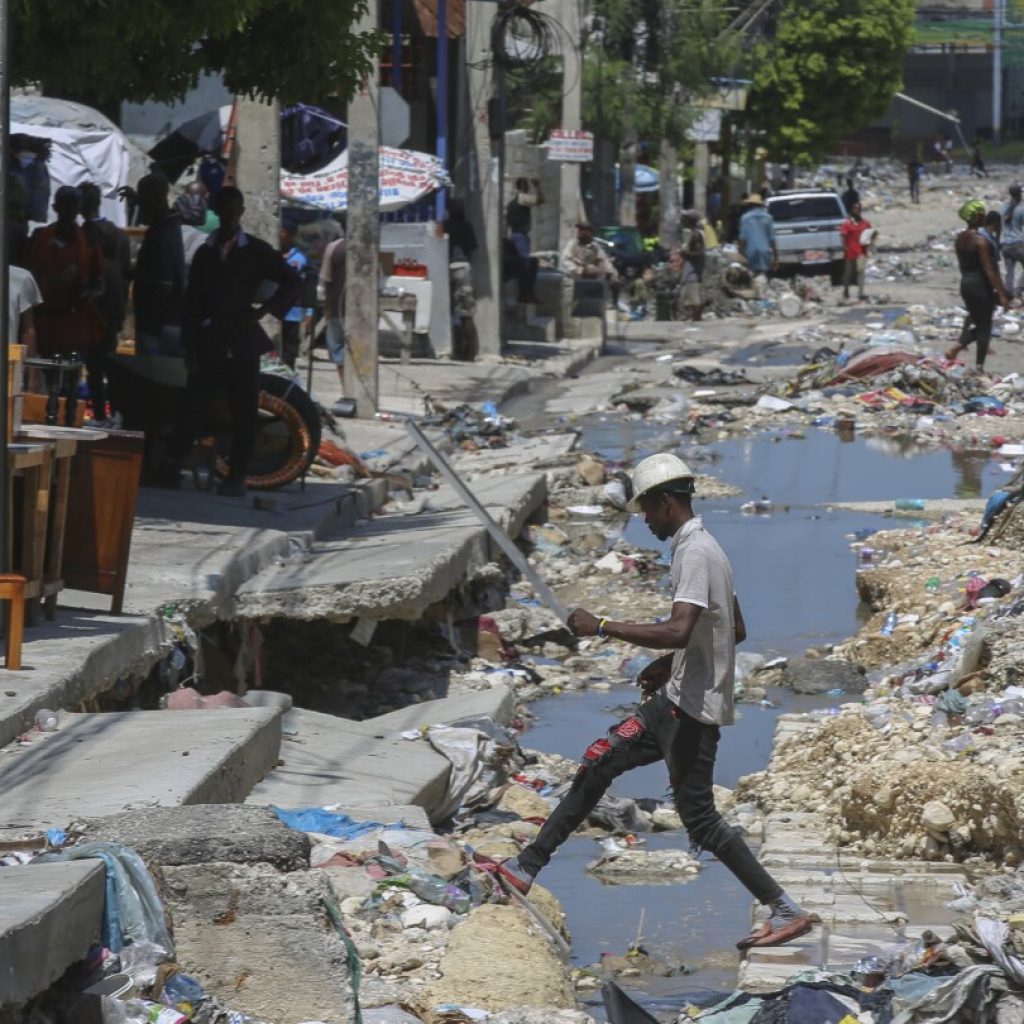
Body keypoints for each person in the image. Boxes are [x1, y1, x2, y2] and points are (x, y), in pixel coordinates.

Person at [496, 454, 816, 950]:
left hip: (690, 714)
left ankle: (785, 908)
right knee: (599, 761)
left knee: (701, 820)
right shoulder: (705, 548)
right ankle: (526, 867)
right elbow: (733, 628)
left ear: (668, 503)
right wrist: (668, 665)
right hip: (671, 699)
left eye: (647, 509)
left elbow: (679, 628)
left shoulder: (696, 553)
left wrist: (601, 625)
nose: (644, 520)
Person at [166, 186, 303, 496]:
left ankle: (236, 476)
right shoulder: (205, 253)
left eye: (233, 212)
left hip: (241, 342)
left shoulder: (256, 251)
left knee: (244, 411)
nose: (228, 217)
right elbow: (192, 302)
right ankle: (172, 465)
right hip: (208, 341)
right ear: (217, 212)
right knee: (194, 405)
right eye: (223, 211)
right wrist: (189, 345)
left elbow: (293, 281)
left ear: (240, 213)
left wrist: (264, 311)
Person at [27, 185, 106, 358]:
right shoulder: (41, 237)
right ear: (56, 208)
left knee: (70, 374)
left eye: (73, 206)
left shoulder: (88, 240)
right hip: (45, 320)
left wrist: (87, 293)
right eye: (65, 206)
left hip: (73, 319)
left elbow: (99, 282)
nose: (69, 211)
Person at [80, 182, 130, 425]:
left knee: (93, 367)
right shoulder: (120, 236)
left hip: (91, 311)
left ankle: (99, 414)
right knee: (111, 363)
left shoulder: (83, 235)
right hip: (113, 309)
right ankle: (117, 412)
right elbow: (126, 275)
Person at [946, 199, 1011, 371]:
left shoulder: (960, 239)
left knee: (977, 320)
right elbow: (989, 269)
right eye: (982, 214)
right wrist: (1001, 293)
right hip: (980, 285)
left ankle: (958, 348)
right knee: (985, 327)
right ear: (977, 217)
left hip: (966, 284)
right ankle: (977, 365)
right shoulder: (980, 241)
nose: (985, 216)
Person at [132, 172, 187, 355]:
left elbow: (163, 287)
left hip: (158, 328)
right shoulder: (166, 228)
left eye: (142, 202)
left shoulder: (163, 235)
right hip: (159, 326)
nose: (140, 208)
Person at [317, 232, 349, 411]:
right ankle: (352, 391)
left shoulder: (334, 248)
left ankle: (346, 390)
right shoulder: (369, 247)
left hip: (337, 308)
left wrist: (326, 308)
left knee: (338, 351)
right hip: (360, 313)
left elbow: (324, 282)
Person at [445, 200, 480, 362]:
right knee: (466, 313)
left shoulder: (444, 226)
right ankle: (470, 352)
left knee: (448, 311)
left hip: (446, 268)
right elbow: (471, 249)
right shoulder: (467, 227)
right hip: (463, 267)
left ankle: (455, 349)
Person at [278, 218, 310, 369]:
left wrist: (309, 311)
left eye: (283, 233)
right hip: (272, 312)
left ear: (291, 235)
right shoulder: (271, 254)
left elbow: (305, 286)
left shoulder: (300, 258)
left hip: (292, 312)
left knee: (289, 351)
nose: (280, 236)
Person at [506, 177, 543, 303]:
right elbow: (540, 200)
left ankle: (526, 294)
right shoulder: (521, 199)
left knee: (526, 264)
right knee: (526, 265)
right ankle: (525, 294)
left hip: (517, 235)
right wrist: (537, 187)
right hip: (520, 236)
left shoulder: (512, 202)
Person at [737, 194, 777, 290]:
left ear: (749, 205)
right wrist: (776, 257)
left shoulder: (745, 218)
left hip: (750, 252)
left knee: (753, 277)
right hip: (765, 251)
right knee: (765, 279)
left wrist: (740, 250)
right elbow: (772, 239)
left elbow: (743, 238)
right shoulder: (768, 218)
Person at [839, 201, 872, 303]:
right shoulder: (847, 223)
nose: (856, 211)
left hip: (861, 251)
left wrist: (869, 246)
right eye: (855, 209)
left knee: (860, 271)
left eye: (858, 209)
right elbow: (843, 235)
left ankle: (860, 293)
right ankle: (846, 290)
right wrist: (844, 247)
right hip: (850, 251)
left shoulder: (865, 223)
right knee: (848, 273)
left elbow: (870, 235)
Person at [680, 210, 705, 321]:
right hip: (690, 268)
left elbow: (699, 253)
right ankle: (693, 318)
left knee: (694, 298)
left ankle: (696, 320)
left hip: (693, 269)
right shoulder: (693, 233)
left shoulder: (696, 235)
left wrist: (685, 254)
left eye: (685, 218)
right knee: (689, 296)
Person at [1002, 184, 1024, 299]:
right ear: (1019, 194)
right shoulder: (1021, 209)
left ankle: (1008, 295)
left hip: (1005, 244)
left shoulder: (1003, 207)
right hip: (1017, 243)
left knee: (1009, 272)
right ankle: (1019, 289)